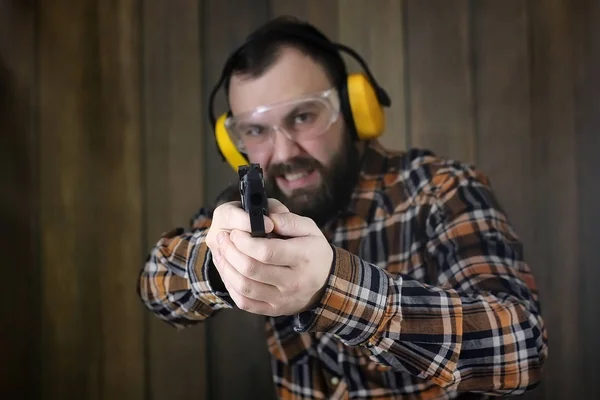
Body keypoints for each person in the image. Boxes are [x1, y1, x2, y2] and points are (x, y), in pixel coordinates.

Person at [137, 16, 548, 399]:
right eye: (255, 130)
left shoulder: (440, 190)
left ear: (354, 111)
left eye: (302, 116)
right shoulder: (248, 210)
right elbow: (155, 285)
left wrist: (331, 287)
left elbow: (521, 351)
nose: (283, 152)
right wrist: (220, 263)